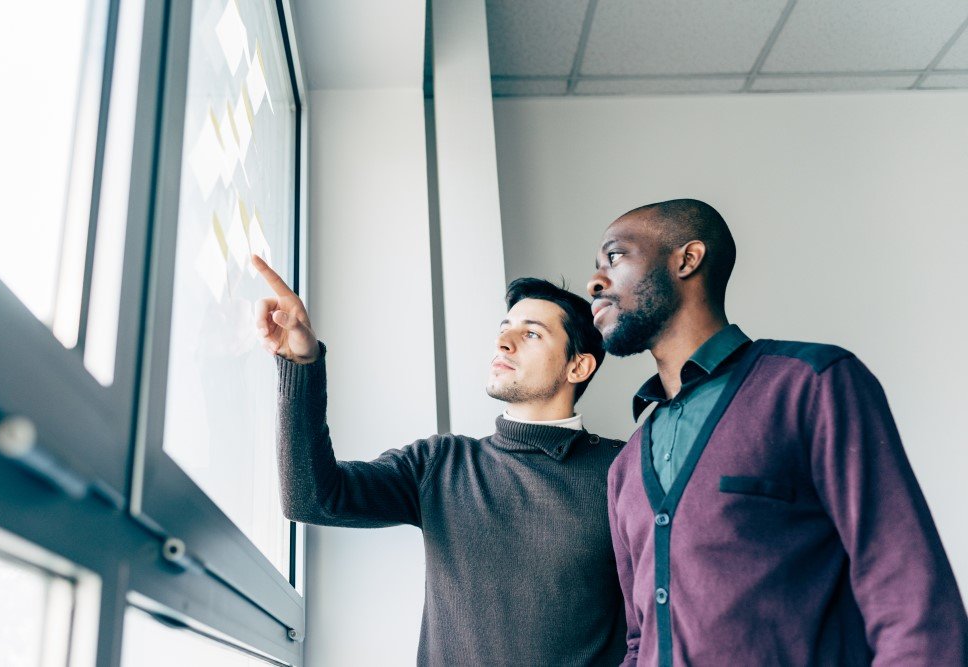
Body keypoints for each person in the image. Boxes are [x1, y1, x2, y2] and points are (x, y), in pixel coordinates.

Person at [586, 199, 968, 666]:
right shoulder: (625, 467)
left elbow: (912, 602)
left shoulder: (812, 384)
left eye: (615, 257)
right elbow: (638, 642)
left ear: (687, 260)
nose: (595, 281)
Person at [252, 254, 627, 666]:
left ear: (578, 366)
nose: (504, 342)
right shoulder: (441, 463)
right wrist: (299, 364)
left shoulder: (623, 470)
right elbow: (311, 498)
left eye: (532, 334)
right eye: (505, 330)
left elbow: (654, 619)